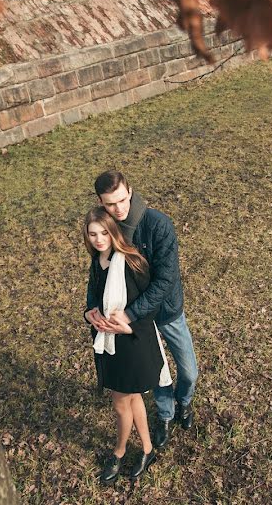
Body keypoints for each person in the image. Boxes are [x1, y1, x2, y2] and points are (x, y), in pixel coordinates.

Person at [89, 170, 199, 450]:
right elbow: (96, 270)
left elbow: (165, 280)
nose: (119, 209)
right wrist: (91, 306)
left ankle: (184, 401)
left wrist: (130, 314)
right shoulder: (106, 226)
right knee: (157, 371)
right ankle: (165, 415)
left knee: (188, 371)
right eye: (110, 204)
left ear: (130, 190)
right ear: (101, 202)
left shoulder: (158, 224)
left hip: (165, 311)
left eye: (123, 200)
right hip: (136, 323)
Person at [83, 207, 170, 484]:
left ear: (113, 231)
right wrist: (89, 312)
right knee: (133, 399)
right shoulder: (98, 262)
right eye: (92, 234)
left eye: (104, 233)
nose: (98, 239)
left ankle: (119, 452)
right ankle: (146, 449)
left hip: (134, 343)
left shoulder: (131, 262)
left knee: (121, 405)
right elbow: (93, 298)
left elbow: (149, 308)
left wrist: (128, 325)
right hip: (113, 346)